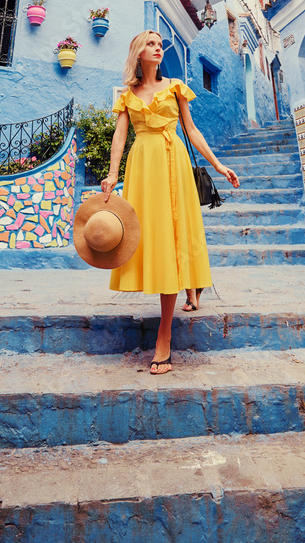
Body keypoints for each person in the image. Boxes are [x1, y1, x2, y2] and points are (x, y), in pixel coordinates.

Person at [100, 30, 240, 374]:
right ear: (137, 53)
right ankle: (192, 287)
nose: (157, 48)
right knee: (157, 236)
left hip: (173, 161)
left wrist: (219, 166)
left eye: (160, 44)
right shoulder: (128, 95)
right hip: (143, 165)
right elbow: (120, 135)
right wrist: (112, 174)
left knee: (175, 230)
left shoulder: (175, 86)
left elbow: (191, 130)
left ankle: (164, 336)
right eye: (150, 44)